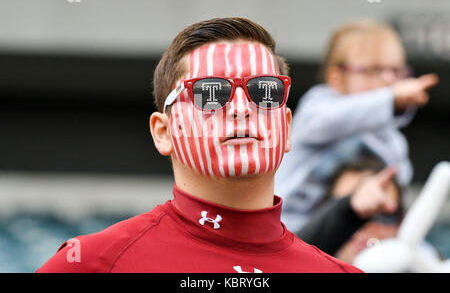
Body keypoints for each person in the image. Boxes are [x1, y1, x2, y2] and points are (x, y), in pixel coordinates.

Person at [36, 17, 362, 273]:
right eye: (210, 93)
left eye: (265, 91)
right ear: (162, 132)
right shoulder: (90, 264)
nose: (240, 107)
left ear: (287, 128)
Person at [275, 19, 439, 233]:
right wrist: (391, 99)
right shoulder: (318, 106)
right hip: (293, 230)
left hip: (354, 241)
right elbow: (330, 120)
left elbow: (400, 196)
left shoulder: (393, 141)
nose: (389, 79)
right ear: (337, 78)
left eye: (397, 71)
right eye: (374, 70)